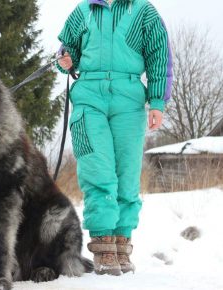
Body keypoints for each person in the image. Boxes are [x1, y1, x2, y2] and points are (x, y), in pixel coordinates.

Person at [57, 0, 172, 275]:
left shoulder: (144, 11)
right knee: (98, 169)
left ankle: (122, 243)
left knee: (127, 174)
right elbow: (65, 51)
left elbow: (159, 56)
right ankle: (103, 246)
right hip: (89, 98)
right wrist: (65, 60)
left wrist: (157, 101)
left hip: (129, 99)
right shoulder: (83, 11)